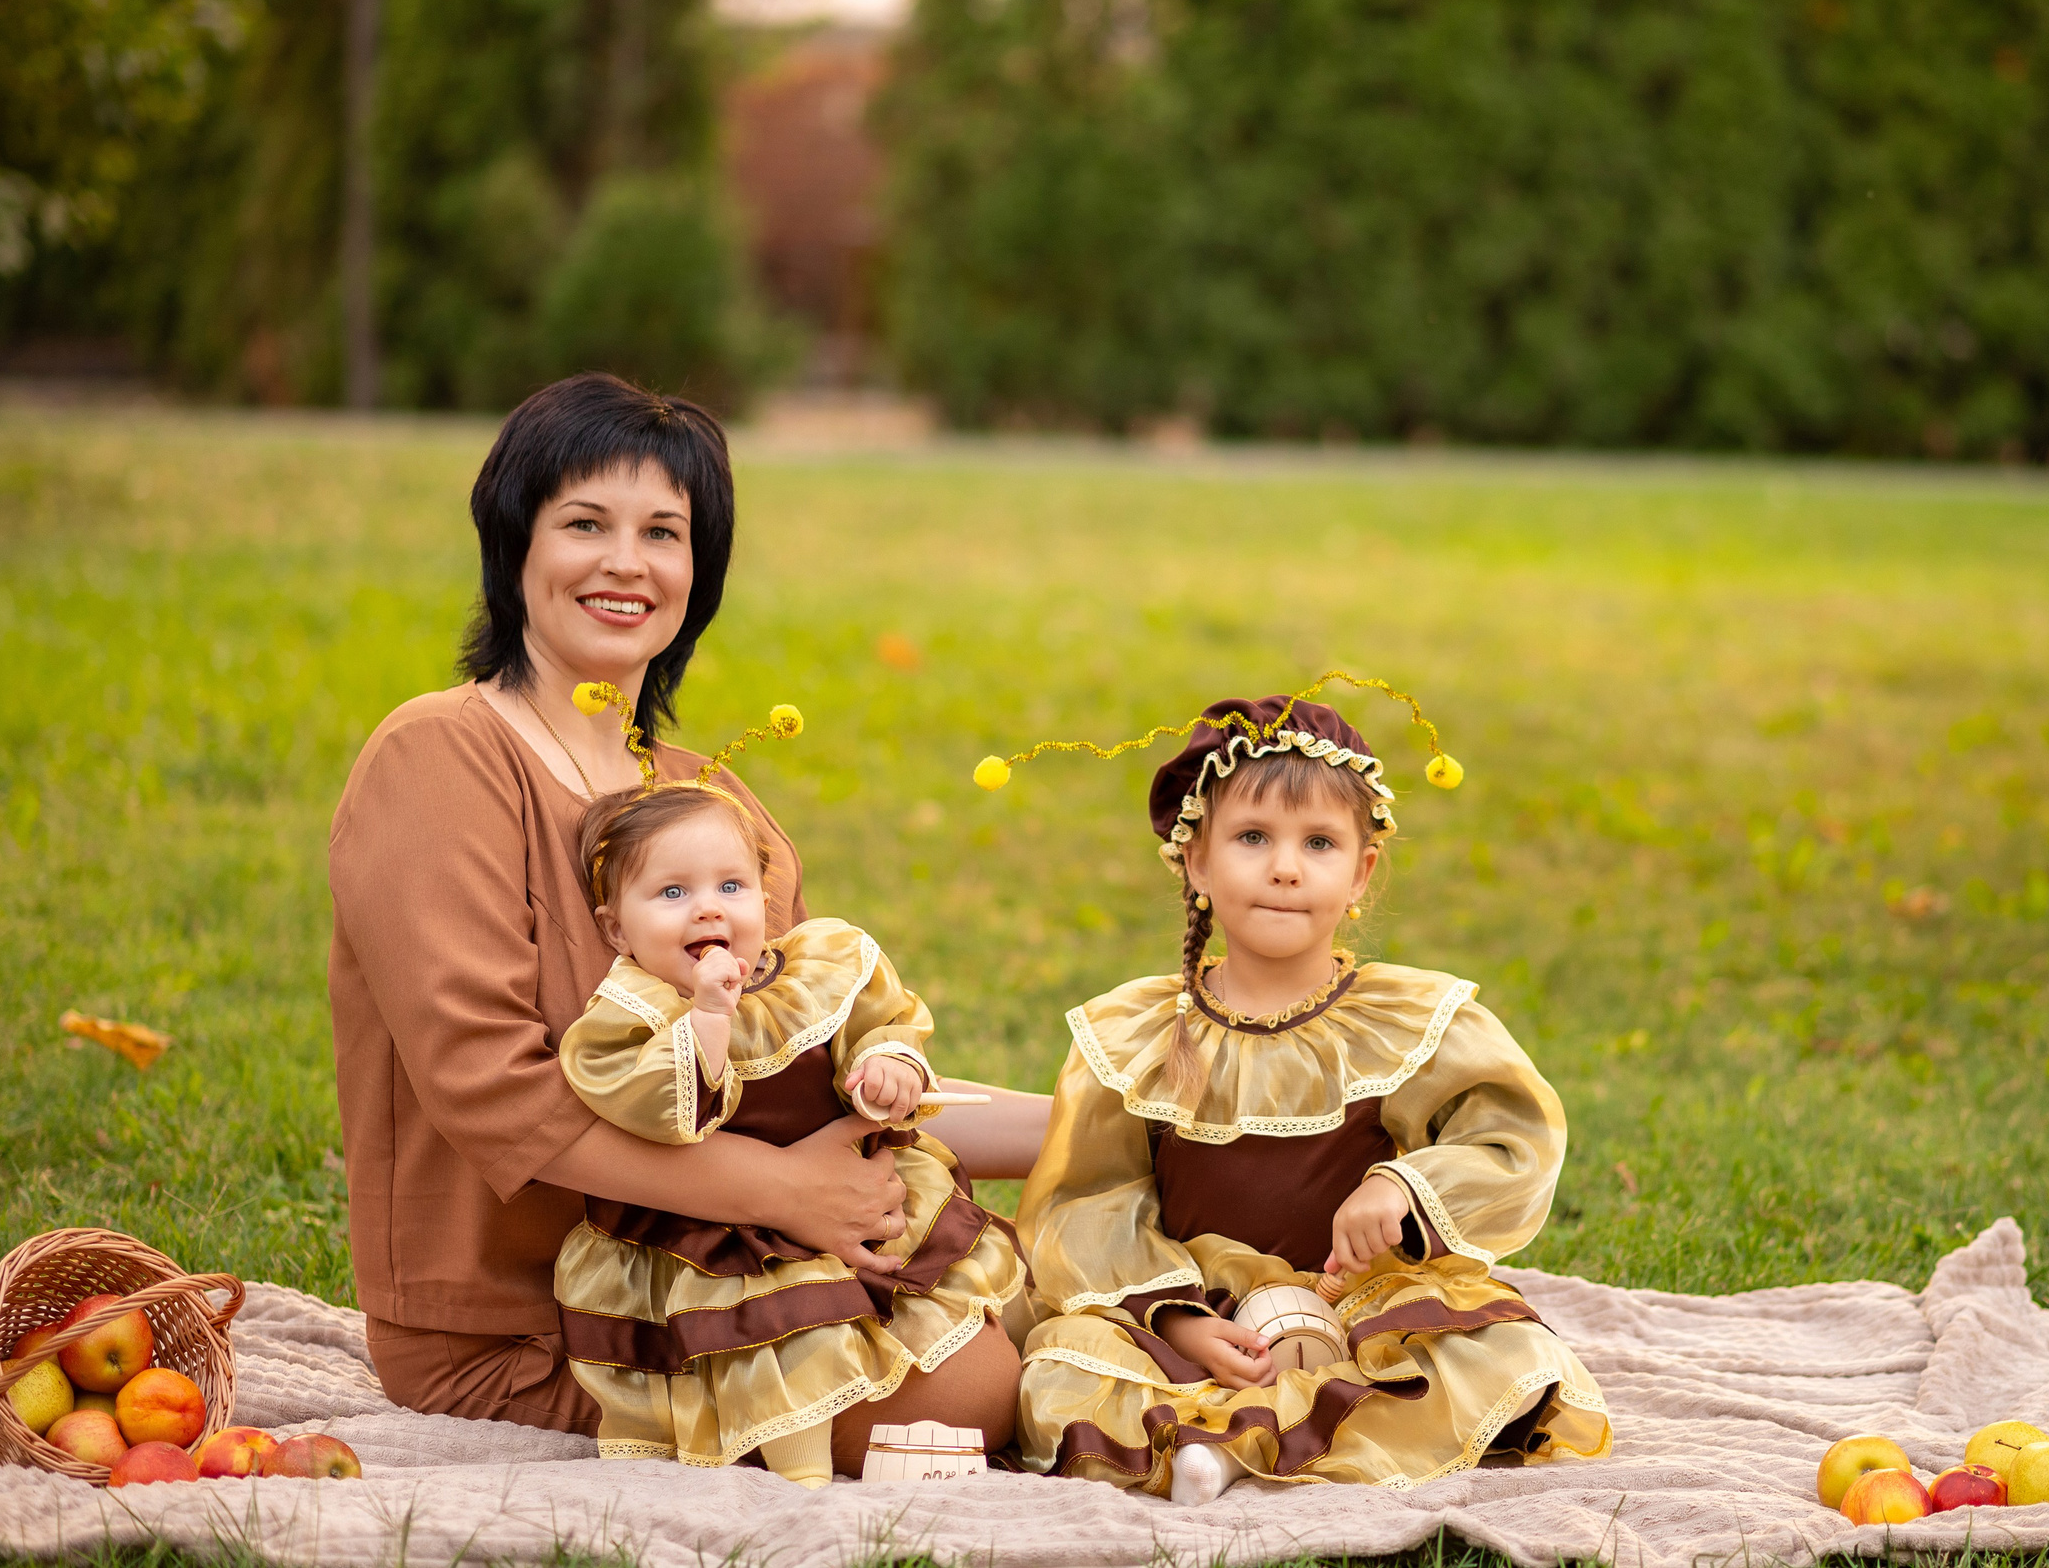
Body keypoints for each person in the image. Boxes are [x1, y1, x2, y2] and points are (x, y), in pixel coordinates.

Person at [327, 373, 1045, 1462]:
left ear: (696, 571)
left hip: (748, 1268)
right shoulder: (436, 759)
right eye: (585, 523)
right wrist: (787, 1188)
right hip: (525, 1324)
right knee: (987, 1389)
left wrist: (1104, 1120)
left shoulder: (704, 802)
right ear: (514, 542)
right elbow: (497, 1091)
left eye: (664, 531)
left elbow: (811, 1063)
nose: (627, 561)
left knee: (1091, 1286)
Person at [982, 676, 1611, 1502]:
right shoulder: (1137, 1034)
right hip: (1195, 1306)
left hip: (1360, 1298)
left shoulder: (1408, 1018)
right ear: (1197, 859)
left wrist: (1403, 1183)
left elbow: (1515, 1137)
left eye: (1318, 843)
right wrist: (1178, 1319)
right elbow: (1086, 1202)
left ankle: (1234, 1450)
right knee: (1060, 1370)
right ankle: (1254, 1427)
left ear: (1361, 871)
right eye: (1252, 836)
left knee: (1505, 1352)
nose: (1285, 868)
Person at [553, 723, 1026, 1485]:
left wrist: (887, 1065)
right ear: (617, 927)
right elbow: (658, 1110)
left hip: (850, 1202)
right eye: (672, 893)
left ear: (765, 900)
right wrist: (708, 1016)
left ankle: (950, 1405)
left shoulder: (813, 968)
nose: (708, 910)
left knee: (935, 1301)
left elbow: (881, 1022)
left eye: (729, 887)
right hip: (722, 1244)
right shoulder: (634, 1010)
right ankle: (799, 1470)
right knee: (788, 1346)